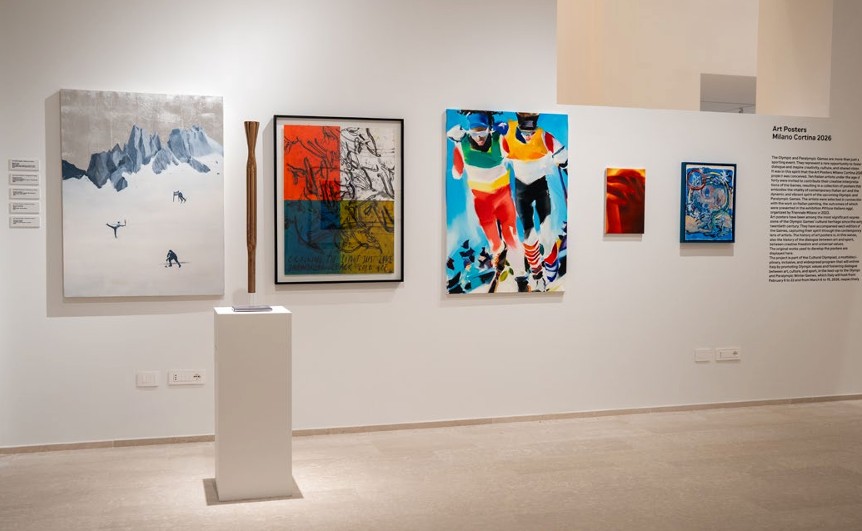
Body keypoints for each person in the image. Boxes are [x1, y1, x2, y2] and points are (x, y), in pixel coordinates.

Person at [448, 110, 528, 292]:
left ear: (489, 129)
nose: (479, 137)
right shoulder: (461, 147)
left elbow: (519, 149)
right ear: (468, 131)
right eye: (474, 133)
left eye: (482, 132)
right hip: (482, 203)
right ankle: (498, 254)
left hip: (502, 199)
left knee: (511, 236)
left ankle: (521, 277)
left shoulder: (499, 140)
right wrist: (457, 147)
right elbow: (456, 174)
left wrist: (510, 133)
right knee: (495, 244)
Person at [501, 112, 568, 291]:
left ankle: (551, 268)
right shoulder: (508, 134)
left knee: (546, 234)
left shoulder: (544, 136)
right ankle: (537, 276)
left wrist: (564, 164)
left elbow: (563, 155)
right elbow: (495, 154)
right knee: (529, 236)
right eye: (525, 132)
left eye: (531, 131)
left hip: (540, 189)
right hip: (521, 191)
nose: (529, 136)